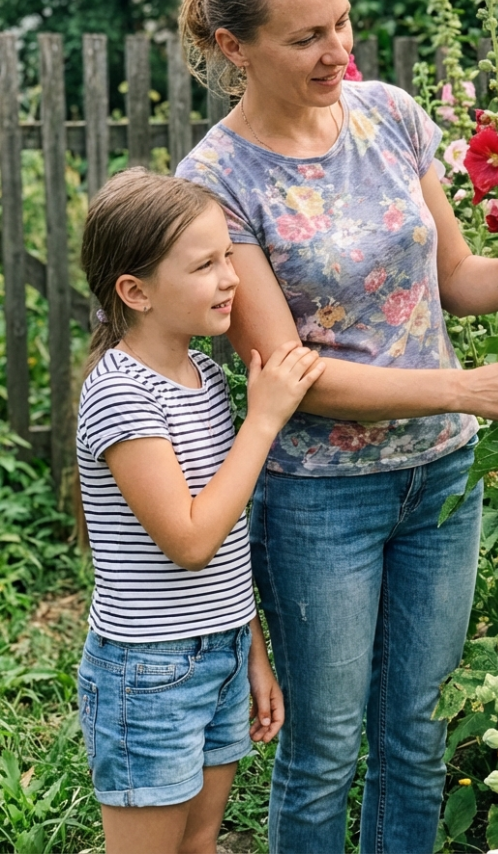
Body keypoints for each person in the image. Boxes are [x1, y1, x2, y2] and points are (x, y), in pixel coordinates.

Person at [176, 0, 498, 854]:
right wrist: (466, 390)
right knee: (324, 749)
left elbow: (456, 279)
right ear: (234, 46)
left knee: (417, 737)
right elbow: (293, 379)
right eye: (305, 36)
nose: (337, 49)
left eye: (342, 22)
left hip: (439, 482)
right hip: (320, 499)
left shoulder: (390, 115)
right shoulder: (216, 181)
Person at [75, 168, 325, 854]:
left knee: (200, 842)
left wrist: (250, 651)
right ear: (136, 292)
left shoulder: (204, 376)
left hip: (218, 655)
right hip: (148, 673)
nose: (231, 279)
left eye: (227, 258)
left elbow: (228, 543)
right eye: (205, 266)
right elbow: (190, 541)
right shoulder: (121, 395)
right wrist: (263, 421)